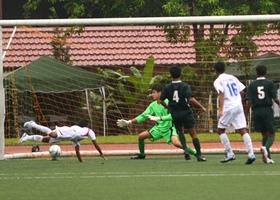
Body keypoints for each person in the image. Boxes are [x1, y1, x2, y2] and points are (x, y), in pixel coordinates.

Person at [116, 84, 198, 160]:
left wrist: (159, 118)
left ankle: (196, 153)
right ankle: (142, 154)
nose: (152, 95)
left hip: (169, 128)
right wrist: (129, 122)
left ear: (160, 93)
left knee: (176, 143)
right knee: (141, 137)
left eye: (154, 92)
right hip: (158, 128)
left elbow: (173, 116)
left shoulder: (169, 102)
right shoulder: (153, 105)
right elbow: (143, 116)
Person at [159, 66, 206, 162]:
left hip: (175, 113)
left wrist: (169, 108)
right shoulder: (185, 86)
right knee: (193, 133)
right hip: (185, 111)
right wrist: (201, 107)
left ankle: (185, 150)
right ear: (180, 74)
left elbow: (160, 100)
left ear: (170, 75)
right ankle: (199, 155)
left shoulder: (167, 87)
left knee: (180, 131)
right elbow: (191, 99)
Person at [213, 61, 255, 164]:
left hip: (229, 107)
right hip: (238, 105)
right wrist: (238, 101)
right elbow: (242, 91)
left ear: (216, 71)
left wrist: (221, 109)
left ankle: (230, 153)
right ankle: (251, 153)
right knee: (242, 130)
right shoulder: (233, 77)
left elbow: (221, 93)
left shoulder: (218, 81)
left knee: (220, 130)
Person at [19, 119, 107, 162]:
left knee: (45, 139)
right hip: (65, 132)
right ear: (87, 125)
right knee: (52, 134)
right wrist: (102, 154)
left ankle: (27, 137)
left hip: (66, 135)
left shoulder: (76, 137)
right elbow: (96, 145)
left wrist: (81, 161)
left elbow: (77, 150)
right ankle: (33, 124)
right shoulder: (89, 131)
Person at [245, 65, 280, 164]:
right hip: (266, 109)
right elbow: (275, 99)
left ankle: (267, 157)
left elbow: (250, 101)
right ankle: (265, 147)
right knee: (272, 133)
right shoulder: (270, 83)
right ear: (266, 72)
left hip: (256, 111)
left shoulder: (252, 85)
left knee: (264, 134)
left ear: (256, 72)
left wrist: (246, 113)